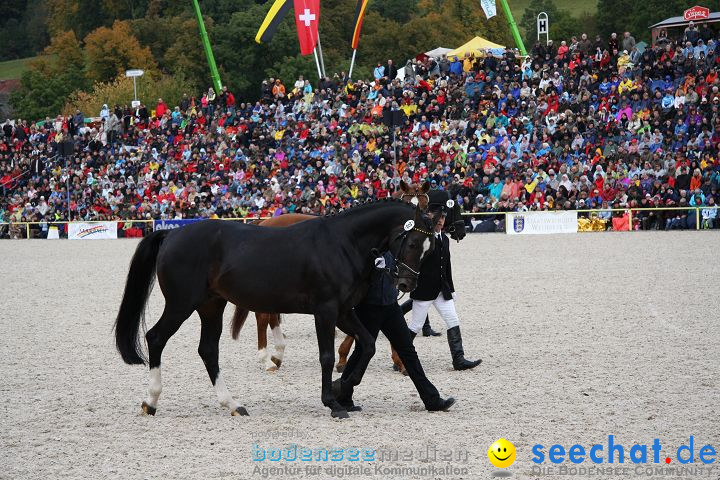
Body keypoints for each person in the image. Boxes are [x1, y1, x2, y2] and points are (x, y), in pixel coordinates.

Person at [333, 250, 456, 413]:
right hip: (369, 307)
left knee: (408, 352)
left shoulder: (394, 248)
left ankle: (431, 399)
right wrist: (374, 269)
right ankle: (344, 396)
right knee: (361, 351)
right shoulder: (368, 248)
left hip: (391, 306)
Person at [408, 193, 482, 371]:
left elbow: (446, 267)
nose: (441, 220)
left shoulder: (446, 240)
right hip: (424, 291)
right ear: (430, 216)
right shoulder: (423, 238)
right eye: (438, 217)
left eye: (443, 217)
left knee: (453, 321)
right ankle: (401, 357)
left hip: (442, 291)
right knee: (416, 326)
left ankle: (459, 359)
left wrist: (451, 289)